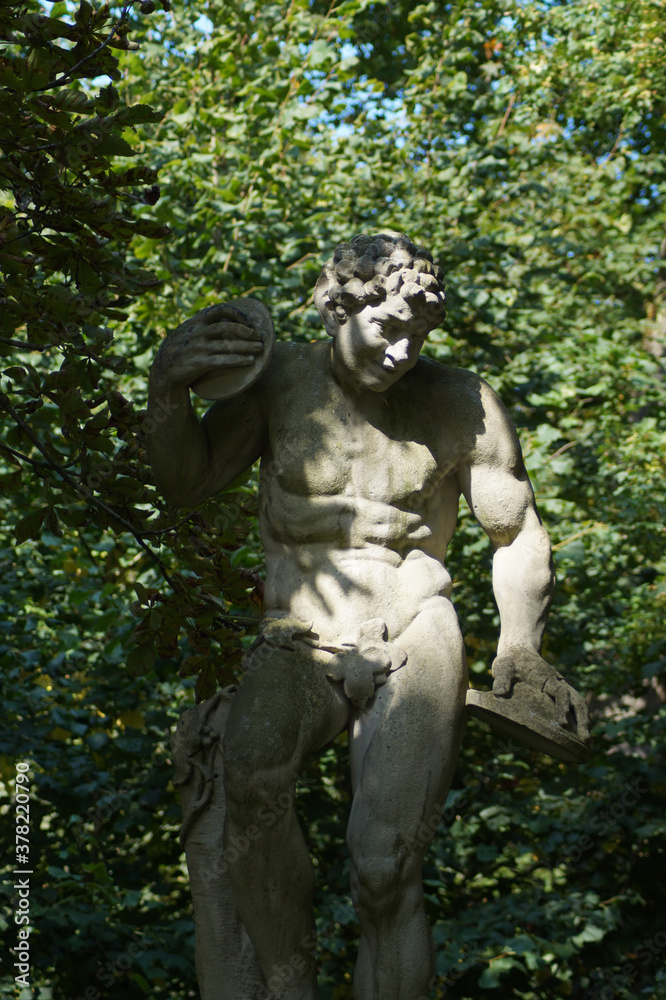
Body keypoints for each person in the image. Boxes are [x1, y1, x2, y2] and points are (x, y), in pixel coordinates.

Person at [147, 232, 588, 1000]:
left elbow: (516, 533)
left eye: (419, 337)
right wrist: (166, 391)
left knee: (386, 864)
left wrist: (521, 645)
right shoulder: (278, 383)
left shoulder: (460, 402)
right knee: (251, 780)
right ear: (335, 309)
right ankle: (290, 986)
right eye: (388, 328)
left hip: (415, 617)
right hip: (300, 632)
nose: (401, 353)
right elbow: (186, 483)